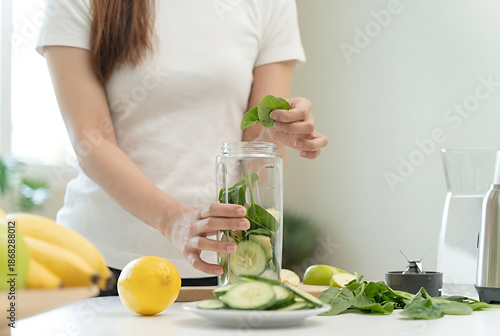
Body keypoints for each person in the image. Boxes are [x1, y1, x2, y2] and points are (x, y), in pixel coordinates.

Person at [36, 0, 328, 295]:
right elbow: (91, 138)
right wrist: (172, 220)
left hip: (223, 262)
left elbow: (254, 144)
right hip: (103, 263)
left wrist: (277, 133)